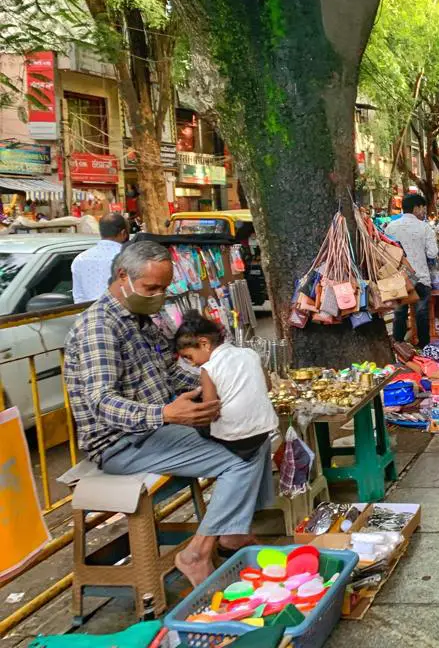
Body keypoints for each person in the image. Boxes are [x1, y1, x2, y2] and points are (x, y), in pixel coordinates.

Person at [64, 241, 275, 586]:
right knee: (241, 456)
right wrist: (165, 414)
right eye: (152, 288)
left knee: (256, 433)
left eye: (164, 287)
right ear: (123, 277)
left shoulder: (146, 319)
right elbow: (101, 402)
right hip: (122, 443)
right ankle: (197, 553)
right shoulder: (98, 328)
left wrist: (221, 384)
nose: (159, 295)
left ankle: (233, 532)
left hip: (159, 427)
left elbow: (172, 372)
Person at [174, 311, 278, 460]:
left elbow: (210, 410)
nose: (192, 363)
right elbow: (267, 386)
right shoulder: (250, 353)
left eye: (188, 357)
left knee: (196, 415)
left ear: (204, 344)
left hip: (235, 440)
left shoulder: (208, 368)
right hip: (264, 430)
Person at [384, 193, 438, 348]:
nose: (424, 212)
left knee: (399, 313)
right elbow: (432, 253)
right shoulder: (424, 227)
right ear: (416, 208)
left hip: (398, 278)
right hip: (420, 278)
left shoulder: (391, 227)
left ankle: (399, 346)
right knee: (421, 314)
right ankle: (424, 347)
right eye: (422, 208)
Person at [71, 212, 129, 303]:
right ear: (123, 233)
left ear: (101, 232)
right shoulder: (129, 256)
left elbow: (78, 298)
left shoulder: (80, 259)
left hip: (89, 315)